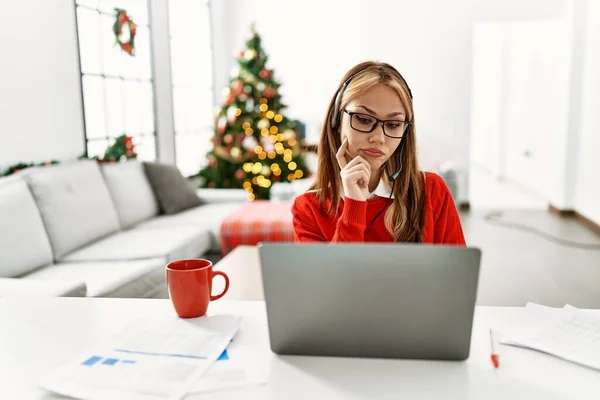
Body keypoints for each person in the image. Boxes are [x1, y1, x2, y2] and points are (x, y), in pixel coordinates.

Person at [291, 61, 466, 245]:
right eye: (364, 119)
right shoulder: (308, 209)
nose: (379, 138)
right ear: (336, 121)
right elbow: (336, 274)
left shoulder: (432, 192)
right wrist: (354, 205)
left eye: (393, 125)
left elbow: (456, 273)